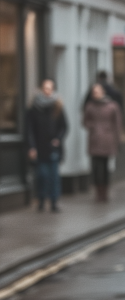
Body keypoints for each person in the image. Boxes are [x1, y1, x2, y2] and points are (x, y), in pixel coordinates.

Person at [26, 79, 68, 212]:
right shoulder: (34, 108)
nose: (47, 91)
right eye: (45, 88)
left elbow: (64, 126)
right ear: (41, 89)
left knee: (53, 177)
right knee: (42, 176)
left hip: (53, 148)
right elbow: (30, 129)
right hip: (39, 147)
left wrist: (58, 139)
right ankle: (41, 201)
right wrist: (32, 147)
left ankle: (54, 202)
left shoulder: (58, 107)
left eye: (50, 88)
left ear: (53, 90)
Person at [83, 83, 122, 202]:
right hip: (94, 140)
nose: (96, 94)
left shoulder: (112, 106)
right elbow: (85, 121)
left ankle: (104, 192)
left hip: (107, 140)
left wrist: (117, 138)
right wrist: (93, 126)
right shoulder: (90, 106)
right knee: (96, 168)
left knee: (104, 167)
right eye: (94, 92)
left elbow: (117, 123)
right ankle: (98, 192)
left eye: (98, 91)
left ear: (103, 92)